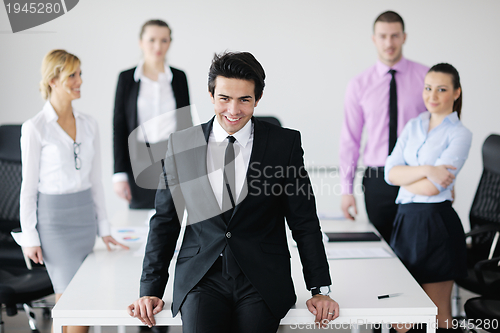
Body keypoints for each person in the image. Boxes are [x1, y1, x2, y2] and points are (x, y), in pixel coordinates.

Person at [127, 51, 339, 332]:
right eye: (225, 98)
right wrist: (150, 288)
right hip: (201, 278)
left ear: (258, 99)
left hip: (261, 278)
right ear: (211, 94)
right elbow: (165, 221)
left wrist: (319, 288)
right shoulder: (181, 144)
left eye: (244, 100)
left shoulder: (283, 144)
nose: (233, 110)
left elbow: (304, 221)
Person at [12, 49, 128, 333]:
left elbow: (96, 181)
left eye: (80, 74)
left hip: (85, 221)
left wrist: (104, 227)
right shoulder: (35, 128)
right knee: (75, 306)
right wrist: (29, 236)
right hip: (55, 226)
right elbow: (28, 188)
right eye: (72, 75)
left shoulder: (89, 124)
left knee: (80, 305)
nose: (80, 81)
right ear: (53, 80)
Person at [385, 63, 471, 332]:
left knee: (437, 314)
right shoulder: (413, 125)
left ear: (456, 93)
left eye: (442, 89)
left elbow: (434, 188)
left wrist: (408, 177)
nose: (432, 95)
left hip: (436, 226)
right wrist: (427, 170)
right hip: (406, 222)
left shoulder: (460, 134)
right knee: (402, 317)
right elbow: (389, 173)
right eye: (428, 88)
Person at [339, 10, 429, 242]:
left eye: (394, 35)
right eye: (383, 36)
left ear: (404, 37)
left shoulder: (426, 78)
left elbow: (439, 129)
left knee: (417, 246)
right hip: (378, 178)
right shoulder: (359, 84)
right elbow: (351, 139)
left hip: (416, 175)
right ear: (374, 39)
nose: (389, 43)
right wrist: (346, 189)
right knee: (384, 247)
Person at [113, 19, 194, 209]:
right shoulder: (127, 78)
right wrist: (119, 173)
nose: (158, 46)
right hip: (139, 162)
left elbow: (186, 123)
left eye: (164, 40)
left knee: (174, 218)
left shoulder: (179, 77)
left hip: (173, 160)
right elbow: (119, 126)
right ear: (141, 42)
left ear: (170, 42)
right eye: (152, 40)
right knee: (140, 221)